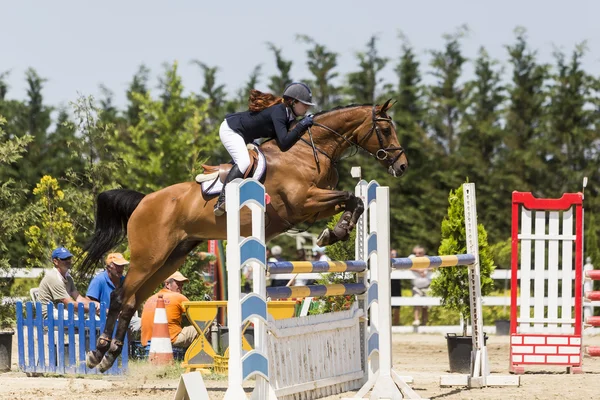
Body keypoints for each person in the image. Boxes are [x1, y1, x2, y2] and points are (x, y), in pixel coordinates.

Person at [213, 82, 316, 216]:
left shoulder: (288, 115)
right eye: (304, 104)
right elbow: (284, 142)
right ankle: (223, 198)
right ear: (292, 102)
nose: (307, 107)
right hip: (231, 130)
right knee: (244, 162)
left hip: (246, 135)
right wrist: (301, 125)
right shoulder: (280, 111)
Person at [140, 271, 198, 349]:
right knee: (206, 327)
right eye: (178, 284)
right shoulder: (178, 297)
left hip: (147, 343)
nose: (180, 287)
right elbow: (197, 314)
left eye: (182, 285)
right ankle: (205, 357)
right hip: (170, 340)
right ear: (167, 284)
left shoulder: (150, 298)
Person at [86, 252, 141, 333]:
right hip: (102, 317)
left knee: (141, 322)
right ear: (109, 267)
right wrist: (105, 311)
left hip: (120, 317)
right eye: (118, 266)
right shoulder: (98, 280)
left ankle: (128, 344)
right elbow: (88, 301)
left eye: (122, 266)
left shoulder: (124, 280)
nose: (121, 269)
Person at [38, 247, 96, 319]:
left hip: (62, 311)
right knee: (80, 318)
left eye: (69, 258)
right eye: (64, 259)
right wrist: (92, 309)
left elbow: (79, 298)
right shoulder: (53, 278)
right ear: (55, 261)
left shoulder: (68, 277)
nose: (68, 261)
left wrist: (96, 304)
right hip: (50, 315)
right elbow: (70, 304)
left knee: (91, 317)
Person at [410, 245, 432, 326]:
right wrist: (419, 270)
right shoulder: (412, 258)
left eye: (419, 253)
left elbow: (434, 267)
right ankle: (416, 320)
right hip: (416, 286)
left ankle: (424, 322)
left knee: (425, 305)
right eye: (416, 253)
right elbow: (408, 266)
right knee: (417, 302)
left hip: (427, 285)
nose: (417, 254)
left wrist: (424, 269)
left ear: (423, 253)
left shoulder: (427, 258)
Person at [390, 249, 402, 326]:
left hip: (396, 286)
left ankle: (396, 324)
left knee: (397, 307)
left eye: (395, 254)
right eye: (392, 254)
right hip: (387, 286)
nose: (393, 255)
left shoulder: (399, 263)